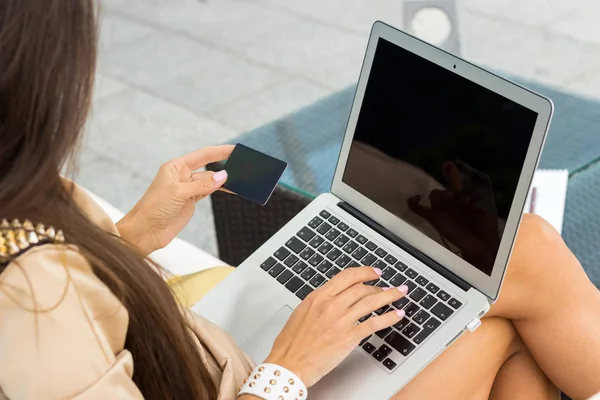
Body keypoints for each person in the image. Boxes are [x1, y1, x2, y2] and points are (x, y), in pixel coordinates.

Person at [0, 2, 599, 400]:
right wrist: (290, 369)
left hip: (210, 355)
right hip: (256, 383)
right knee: (509, 294)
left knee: (505, 276)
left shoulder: (23, 216)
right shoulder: (30, 305)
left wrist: (126, 243)